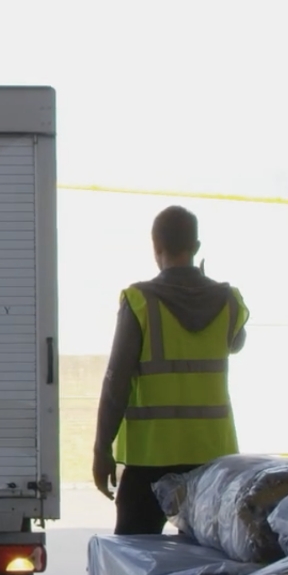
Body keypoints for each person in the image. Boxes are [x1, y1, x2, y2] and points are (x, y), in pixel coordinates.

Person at [92, 206, 248, 534]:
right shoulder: (229, 299)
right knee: (203, 562)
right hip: (212, 459)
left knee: (134, 558)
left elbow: (116, 379)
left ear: (155, 247)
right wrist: (206, 286)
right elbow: (235, 344)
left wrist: (101, 448)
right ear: (196, 247)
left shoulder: (139, 300)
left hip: (149, 459)